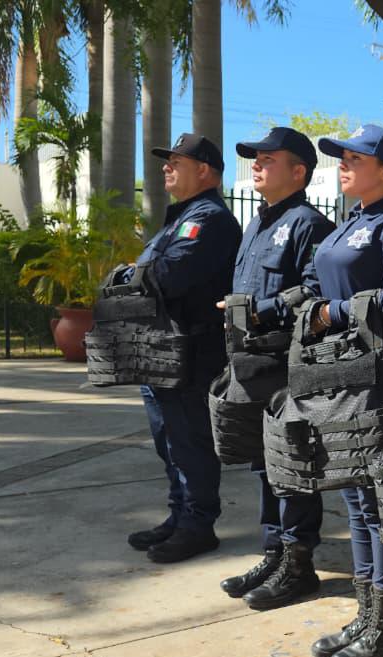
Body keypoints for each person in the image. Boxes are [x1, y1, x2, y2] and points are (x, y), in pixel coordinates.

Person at [301, 124, 383, 657]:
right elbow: (311, 283)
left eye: (357, 157)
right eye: (343, 157)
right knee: (354, 498)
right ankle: (364, 611)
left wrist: (329, 313)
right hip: (338, 374)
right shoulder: (346, 224)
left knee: (382, 502)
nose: (344, 164)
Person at [217, 127, 335, 609]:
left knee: (292, 464)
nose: (256, 164)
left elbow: (314, 290)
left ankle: (299, 563)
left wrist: (261, 310)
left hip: (287, 364)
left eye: (268, 158)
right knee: (265, 465)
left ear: (299, 171)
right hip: (251, 363)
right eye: (254, 157)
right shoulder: (257, 223)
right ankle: (274, 551)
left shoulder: (309, 225)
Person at [127, 133, 240, 563]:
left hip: (191, 353)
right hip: (161, 351)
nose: (165, 167)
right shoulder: (181, 217)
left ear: (204, 170)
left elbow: (165, 277)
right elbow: (146, 273)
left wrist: (136, 273)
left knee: (190, 441)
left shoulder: (209, 219)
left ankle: (198, 524)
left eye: (176, 161)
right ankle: (179, 515)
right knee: (167, 440)